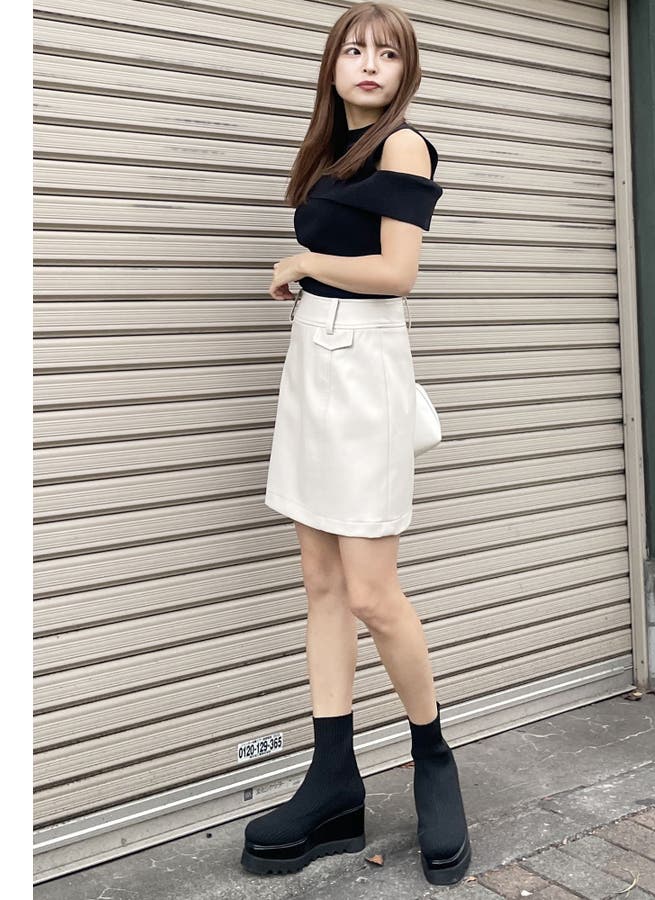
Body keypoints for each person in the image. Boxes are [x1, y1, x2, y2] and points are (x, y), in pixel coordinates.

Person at [240, 2, 471, 886]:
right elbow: (350, 261)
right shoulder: (328, 152)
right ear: (332, 65)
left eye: (388, 54)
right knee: (322, 583)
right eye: (354, 50)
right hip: (314, 362)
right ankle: (333, 780)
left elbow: (397, 272)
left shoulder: (402, 146)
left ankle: (433, 757)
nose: (369, 64)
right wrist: (309, 283)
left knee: (373, 592)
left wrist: (303, 264)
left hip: (365, 366)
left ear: (405, 71)